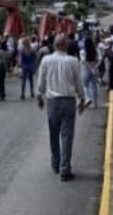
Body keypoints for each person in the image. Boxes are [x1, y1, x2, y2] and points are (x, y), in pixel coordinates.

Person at [36, 35, 87, 181]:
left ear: (54, 45)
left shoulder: (46, 60)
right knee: (67, 135)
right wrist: (82, 98)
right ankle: (65, 168)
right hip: (68, 100)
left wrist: (39, 95)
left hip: (52, 101)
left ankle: (55, 163)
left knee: (54, 134)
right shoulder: (73, 61)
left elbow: (41, 80)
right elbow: (78, 81)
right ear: (66, 46)